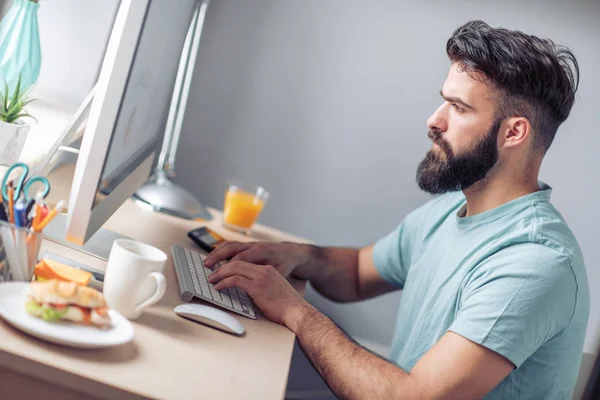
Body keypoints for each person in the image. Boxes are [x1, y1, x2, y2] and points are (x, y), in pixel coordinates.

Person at [205, 20, 589, 399]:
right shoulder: (453, 209)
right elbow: (356, 273)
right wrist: (297, 256)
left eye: (458, 107)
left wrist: (294, 309)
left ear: (513, 133)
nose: (434, 120)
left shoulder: (534, 264)